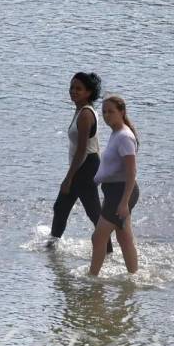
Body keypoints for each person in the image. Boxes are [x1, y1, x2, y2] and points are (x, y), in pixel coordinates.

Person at [48, 72, 112, 254]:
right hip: (84, 165)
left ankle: (107, 251)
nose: (73, 91)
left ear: (88, 92)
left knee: (93, 212)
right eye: (72, 88)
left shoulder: (85, 114)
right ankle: (52, 246)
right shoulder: (80, 110)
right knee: (61, 206)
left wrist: (69, 178)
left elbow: (82, 150)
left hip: (87, 165)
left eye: (78, 89)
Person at [89, 96, 141, 276]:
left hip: (122, 192)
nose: (106, 115)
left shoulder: (125, 137)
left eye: (111, 111)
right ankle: (134, 276)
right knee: (124, 237)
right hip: (114, 191)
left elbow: (132, 172)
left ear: (122, 112)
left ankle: (92, 278)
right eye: (104, 112)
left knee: (98, 237)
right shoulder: (116, 133)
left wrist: (124, 202)